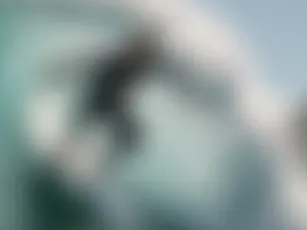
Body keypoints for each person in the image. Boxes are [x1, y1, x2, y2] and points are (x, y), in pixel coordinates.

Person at [40, 26, 229, 168]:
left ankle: (97, 167)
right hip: (98, 96)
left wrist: (196, 99)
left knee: (132, 137)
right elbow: (87, 62)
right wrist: (60, 70)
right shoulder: (120, 56)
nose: (151, 56)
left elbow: (174, 80)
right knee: (83, 126)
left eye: (153, 52)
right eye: (148, 50)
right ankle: (60, 155)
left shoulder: (148, 64)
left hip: (114, 104)